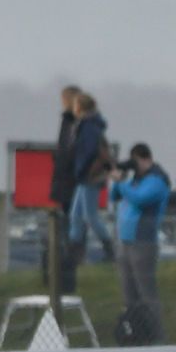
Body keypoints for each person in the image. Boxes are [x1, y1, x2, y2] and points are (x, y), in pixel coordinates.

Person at [108, 142, 171, 346]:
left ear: (146, 159)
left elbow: (140, 199)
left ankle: (156, 336)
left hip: (143, 242)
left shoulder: (157, 180)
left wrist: (122, 183)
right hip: (125, 241)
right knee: (129, 293)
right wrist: (118, 179)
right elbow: (113, 196)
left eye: (136, 162)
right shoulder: (135, 180)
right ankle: (136, 333)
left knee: (146, 292)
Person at [68, 93, 115, 262]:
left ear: (79, 107)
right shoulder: (90, 125)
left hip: (89, 175)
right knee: (76, 215)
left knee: (90, 215)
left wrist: (81, 167)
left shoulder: (88, 127)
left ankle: (110, 249)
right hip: (85, 176)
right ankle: (73, 251)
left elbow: (88, 151)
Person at [50, 85, 82, 293]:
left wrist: (61, 163)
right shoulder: (72, 122)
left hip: (68, 181)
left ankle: (68, 271)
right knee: (68, 225)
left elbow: (67, 151)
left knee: (69, 226)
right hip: (67, 180)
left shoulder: (72, 122)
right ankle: (65, 269)